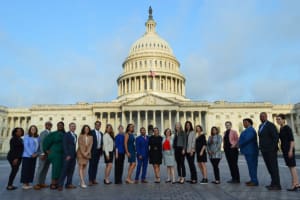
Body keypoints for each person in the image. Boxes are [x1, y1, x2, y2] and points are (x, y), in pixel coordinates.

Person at [276, 114, 300, 191]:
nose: (278, 121)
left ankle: (296, 184)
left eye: (279, 119)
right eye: (277, 119)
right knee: (290, 167)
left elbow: (292, 140)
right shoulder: (281, 128)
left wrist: (290, 150)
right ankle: (295, 183)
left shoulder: (287, 128)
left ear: (283, 120)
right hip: (285, 150)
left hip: (289, 150)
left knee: (292, 167)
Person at [258, 112, 281, 190]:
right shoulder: (260, 126)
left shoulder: (270, 125)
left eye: (263, 116)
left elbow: (276, 137)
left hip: (271, 150)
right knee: (269, 167)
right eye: (260, 117)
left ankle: (277, 185)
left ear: (266, 117)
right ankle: (273, 182)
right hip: (264, 150)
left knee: (273, 167)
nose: (262, 118)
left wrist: (272, 148)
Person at [43, 121, 65, 190]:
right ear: (57, 126)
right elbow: (46, 141)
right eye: (59, 125)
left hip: (62, 154)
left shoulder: (65, 134)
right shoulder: (53, 134)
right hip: (55, 153)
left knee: (60, 168)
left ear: (63, 126)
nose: (60, 126)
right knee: (55, 168)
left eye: (61, 125)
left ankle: (58, 183)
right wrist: (46, 150)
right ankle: (53, 183)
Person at [239, 118, 259, 186]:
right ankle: (253, 179)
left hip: (251, 151)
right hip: (248, 151)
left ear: (248, 123)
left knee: (252, 166)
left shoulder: (251, 130)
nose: (243, 124)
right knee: (250, 166)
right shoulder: (247, 130)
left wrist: (238, 144)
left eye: (244, 122)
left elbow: (247, 139)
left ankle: (254, 181)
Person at [57, 122, 77, 191]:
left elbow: (73, 146)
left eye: (74, 126)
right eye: (72, 126)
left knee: (71, 171)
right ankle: (60, 185)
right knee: (64, 171)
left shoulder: (75, 135)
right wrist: (67, 155)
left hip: (73, 156)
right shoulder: (66, 135)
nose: (73, 127)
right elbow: (64, 145)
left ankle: (68, 184)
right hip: (67, 156)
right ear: (69, 127)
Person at [34, 121, 52, 190]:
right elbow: (41, 143)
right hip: (43, 154)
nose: (49, 126)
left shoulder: (51, 133)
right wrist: (42, 153)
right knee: (40, 169)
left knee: (45, 169)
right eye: (47, 125)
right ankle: (36, 183)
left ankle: (42, 182)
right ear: (45, 126)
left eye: (50, 125)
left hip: (49, 155)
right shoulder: (43, 133)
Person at [20, 125, 39, 189]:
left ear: (36, 130)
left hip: (34, 156)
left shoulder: (37, 137)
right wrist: (31, 154)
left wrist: (37, 153)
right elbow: (26, 146)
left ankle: (27, 183)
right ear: (30, 130)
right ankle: (24, 184)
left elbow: (38, 146)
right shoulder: (27, 137)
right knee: (26, 169)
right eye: (32, 129)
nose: (33, 130)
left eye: (34, 129)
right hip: (27, 156)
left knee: (31, 170)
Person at [88, 121, 103, 186]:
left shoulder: (101, 133)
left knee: (95, 166)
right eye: (96, 125)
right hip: (92, 151)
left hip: (98, 151)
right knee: (91, 166)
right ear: (95, 125)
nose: (98, 126)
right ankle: (90, 180)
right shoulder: (91, 132)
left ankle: (94, 179)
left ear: (100, 126)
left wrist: (101, 151)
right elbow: (88, 142)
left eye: (99, 125)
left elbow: (101, 143)